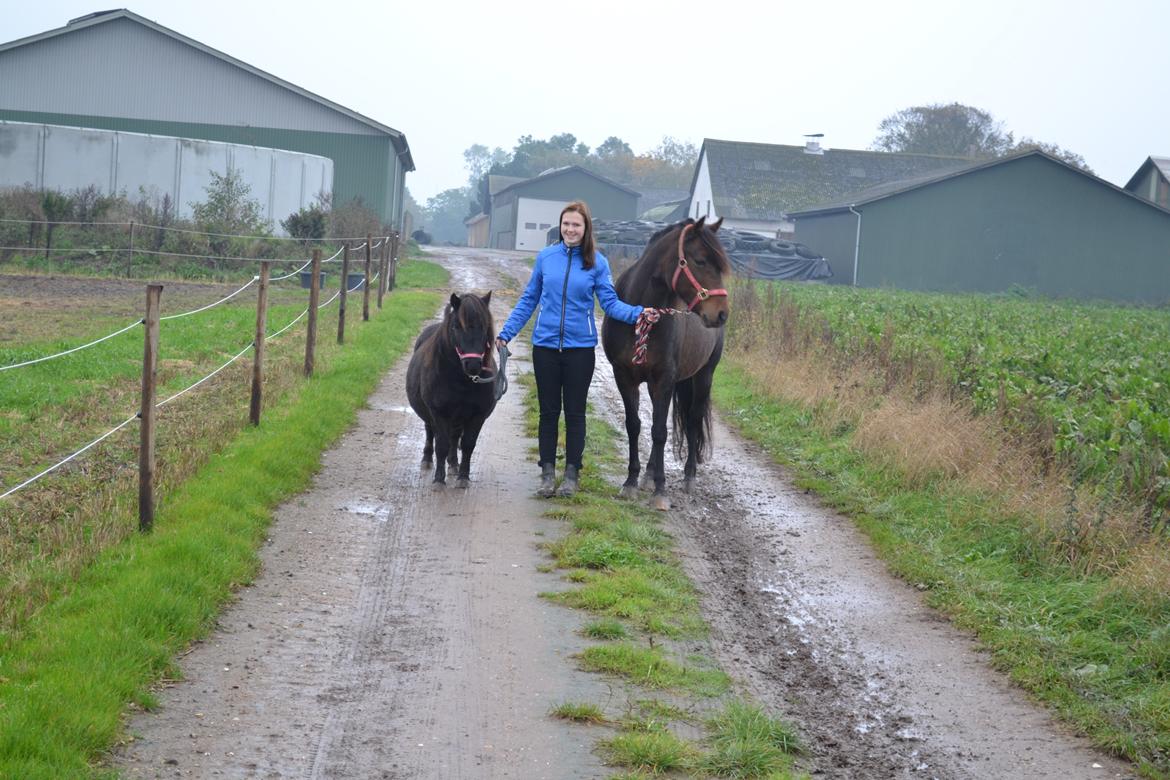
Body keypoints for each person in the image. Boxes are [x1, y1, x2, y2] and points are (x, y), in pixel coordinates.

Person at [496, 200, 643, 498]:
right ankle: (547, 473)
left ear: (586, 228)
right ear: (560, 226)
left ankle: (572, 474)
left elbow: (610, 304)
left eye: (576, 224)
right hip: (545, 348)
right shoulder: (545, 258)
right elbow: (529, 299)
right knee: (548, 412)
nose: (570, 229)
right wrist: (506, 334)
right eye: (566, 224)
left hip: (580, 350)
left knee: (575, 413)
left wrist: (639, 314)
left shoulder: (597, 263)